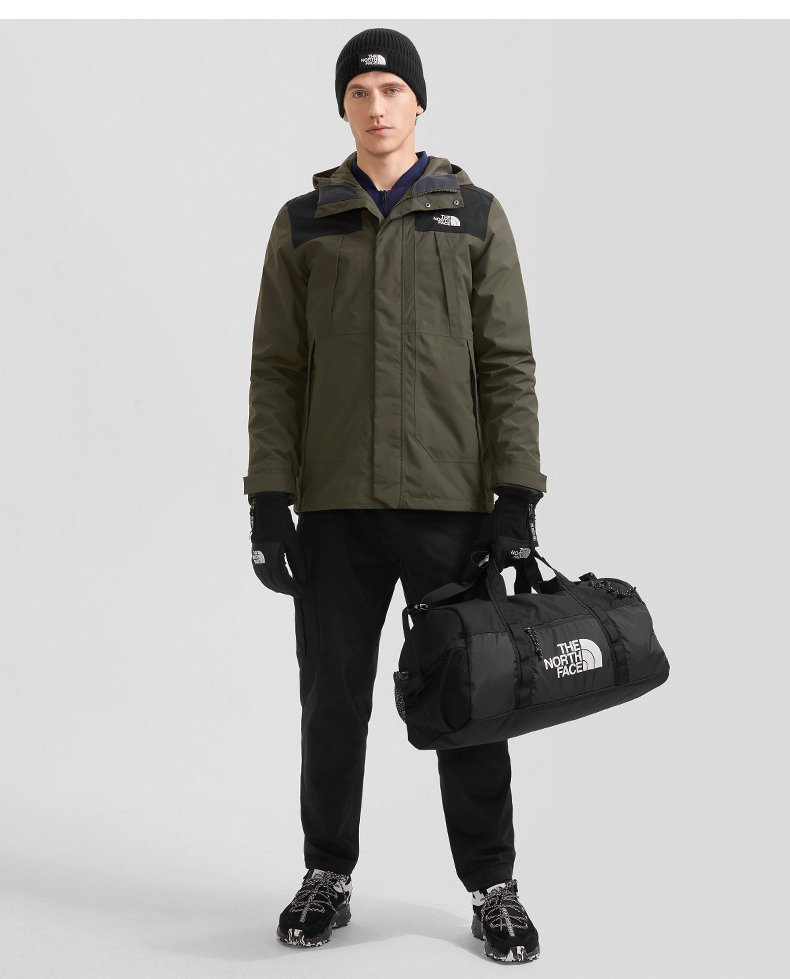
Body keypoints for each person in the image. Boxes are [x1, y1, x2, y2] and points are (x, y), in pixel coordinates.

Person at [244, 27, 547, 965]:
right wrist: (269, 501)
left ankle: (492, 886)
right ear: (343, 107)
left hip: (450, 510)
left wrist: (516, 496)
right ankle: (326, 873)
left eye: (391, 90)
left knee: (472, 700)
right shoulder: (306, 223)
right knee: (332, 701)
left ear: (418, 102)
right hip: (335, 509)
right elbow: (277, 370)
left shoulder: (475, 215)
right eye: (359, 92)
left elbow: (507, 363)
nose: (376, 107)